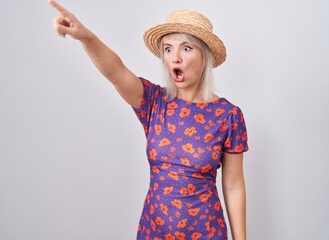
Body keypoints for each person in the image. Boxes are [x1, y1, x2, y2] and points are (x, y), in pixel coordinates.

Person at [49, 1, 249, 239]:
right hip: (153, 231)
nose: (174, 58)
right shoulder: (154, 102)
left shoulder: (228, 115)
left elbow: (234, 185)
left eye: (186, 48)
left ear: (204, 55)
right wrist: (86, 37)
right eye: (167, 49)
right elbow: (116, 72)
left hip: (206, 233)